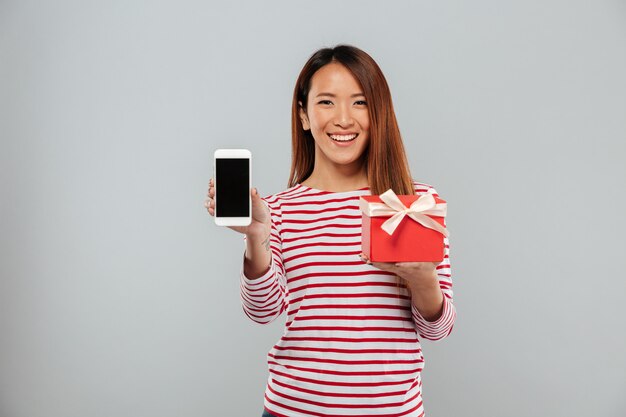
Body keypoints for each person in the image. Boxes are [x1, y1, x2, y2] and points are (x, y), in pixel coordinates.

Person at [204, 44, 456, 417]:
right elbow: (263, 310)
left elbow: (438, 329)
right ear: (304, 115)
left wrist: (423, 279)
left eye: (360, 102)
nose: (343, 119)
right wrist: (256, 237)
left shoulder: (413, 204)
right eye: (326, 102)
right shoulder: (279, 209)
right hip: (293, 408)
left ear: (379, 112)